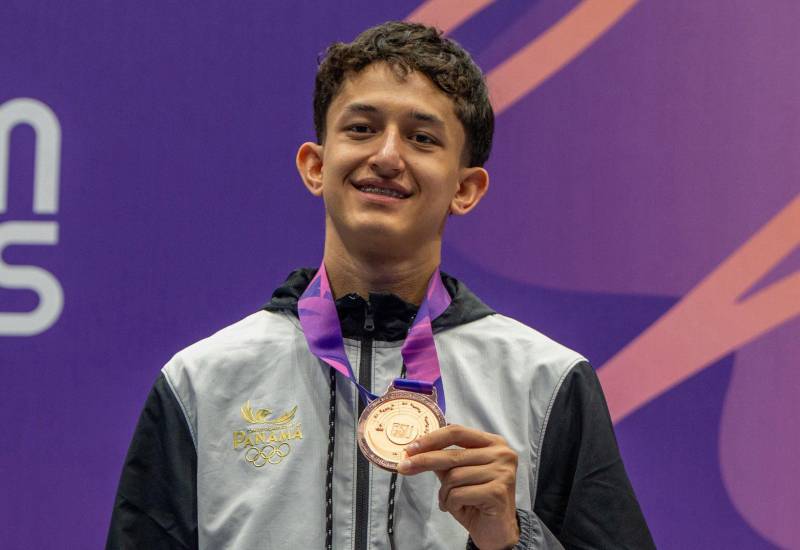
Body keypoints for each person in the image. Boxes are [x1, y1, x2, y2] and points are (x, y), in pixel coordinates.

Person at [107, 21, 654, 550]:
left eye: (422, 138)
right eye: (361, 129)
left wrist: (511, 542)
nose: (387, 157)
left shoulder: (544, 382)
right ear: (315, 165)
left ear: (465, 188)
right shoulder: (204, 383)